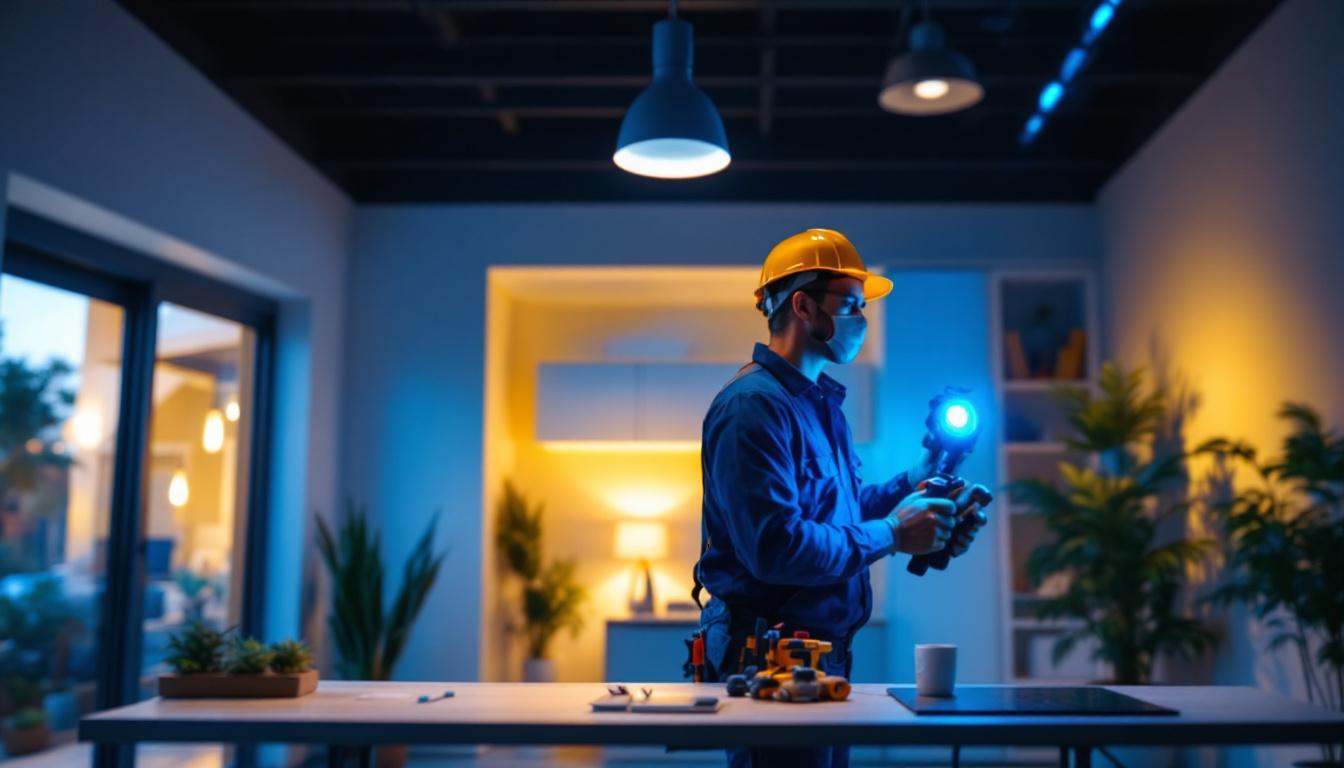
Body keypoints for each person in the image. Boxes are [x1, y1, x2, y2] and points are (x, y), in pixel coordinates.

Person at [692, 228, 989, 768]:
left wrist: (917, 482)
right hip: (771, 661)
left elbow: (843, 511)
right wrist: (896, 533)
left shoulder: (818, 403)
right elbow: (777, 547)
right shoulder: (752, 409)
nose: (862, 320)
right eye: (851, 305)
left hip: (825, 656)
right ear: (803, 305)